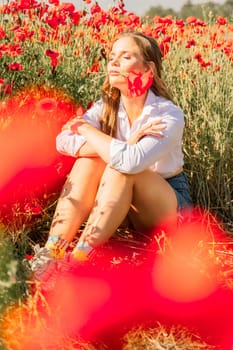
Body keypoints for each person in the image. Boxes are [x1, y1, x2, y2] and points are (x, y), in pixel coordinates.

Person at [31, 31, 192, 282]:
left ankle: (78, 260)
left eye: (125, 56)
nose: (114, 62)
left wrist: (85, 129)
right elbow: (62, 140)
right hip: (118, 205)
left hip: (165, 208)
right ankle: (52, 253)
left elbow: (130, 162)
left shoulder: (166, 115)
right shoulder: (106, 106)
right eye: (112, 56)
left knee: (120, 166)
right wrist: (125, 143)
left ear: (149, 69)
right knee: (90, 161)